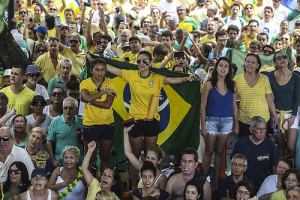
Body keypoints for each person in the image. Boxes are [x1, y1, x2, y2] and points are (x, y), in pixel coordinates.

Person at [107, 51, 198, 189]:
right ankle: (133, 185)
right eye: (139, 61)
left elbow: (172, 80)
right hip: (135, 121)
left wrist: (187, 79)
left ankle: (151, 185)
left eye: (145, 61)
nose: (141, 64)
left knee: (151, 157)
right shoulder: (131, 75)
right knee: (134, 155)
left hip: (152, 122)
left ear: (150, 63)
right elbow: (113, 69)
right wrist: (95, 60)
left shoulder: (156, 77)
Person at [201, 57, 238, 187]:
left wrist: (236, 124)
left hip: (227, 122)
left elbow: (234, 106)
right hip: (211, 121)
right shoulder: (208, 84)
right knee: (208, 151)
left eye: (226, 66)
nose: (223, 68)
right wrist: (203, 127)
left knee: (219, 151)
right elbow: (203, 106)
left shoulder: (232, 85)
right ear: (216, 68)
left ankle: (216, 181)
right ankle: (204, 180)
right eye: (221, 65)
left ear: (229, 69)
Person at [80, 58, 116, 172]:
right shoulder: (85, 82)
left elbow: (107, 105)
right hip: (90, 125)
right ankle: (89, 187)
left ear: (106, 71)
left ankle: (104, 186)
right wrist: (104, 92)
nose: (100, 73)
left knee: (105, 158)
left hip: (107, 124)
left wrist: (89, 100)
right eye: (97, 70)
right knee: (90, 159)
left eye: (102, 70)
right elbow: (85, 97)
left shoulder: (111, 82)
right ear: (91, 70)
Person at [233, 53, 279, 137]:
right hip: (244, 121)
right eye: (248, 61)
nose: (249, 64)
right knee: (245, 148)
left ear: (257, 65)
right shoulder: (237, 80)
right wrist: (236, 124)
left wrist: (275, 118)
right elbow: (233, 104)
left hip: (262, 122)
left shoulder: (264, 79)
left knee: (261, 148)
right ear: (244, 63)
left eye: (253, 62)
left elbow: (270, 100)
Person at [231, 116, 279, 190]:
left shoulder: (271, 145)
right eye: (259, 129)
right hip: (243, 186)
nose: (262, 132)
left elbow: (274, 168)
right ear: (251, 129)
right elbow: (234, 166)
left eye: (264, 129)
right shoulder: (241, 143)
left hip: (264, 186)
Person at [270, 51, 300, 157]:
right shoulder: (271, 75)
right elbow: (269, 97)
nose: (282, 59)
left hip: (292, 115)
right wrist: (275, 118)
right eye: (278, 58)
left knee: (291, 146)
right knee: (280, 145)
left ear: (287, 60)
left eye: (284, 57)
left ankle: (293, 170)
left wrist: (293, 117)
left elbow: (297, 99)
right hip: (277, 115)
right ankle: (281, 171)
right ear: (275, 63)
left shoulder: (296, 77)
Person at [46, 97, 83, 166]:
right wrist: (53, 160)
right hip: (60, 163)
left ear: (76, 110)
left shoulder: (82, 122)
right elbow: (49, 141)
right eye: (65, 108)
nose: (67, 110)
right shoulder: (55, 122)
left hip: (78, 163)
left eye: (71, 108)